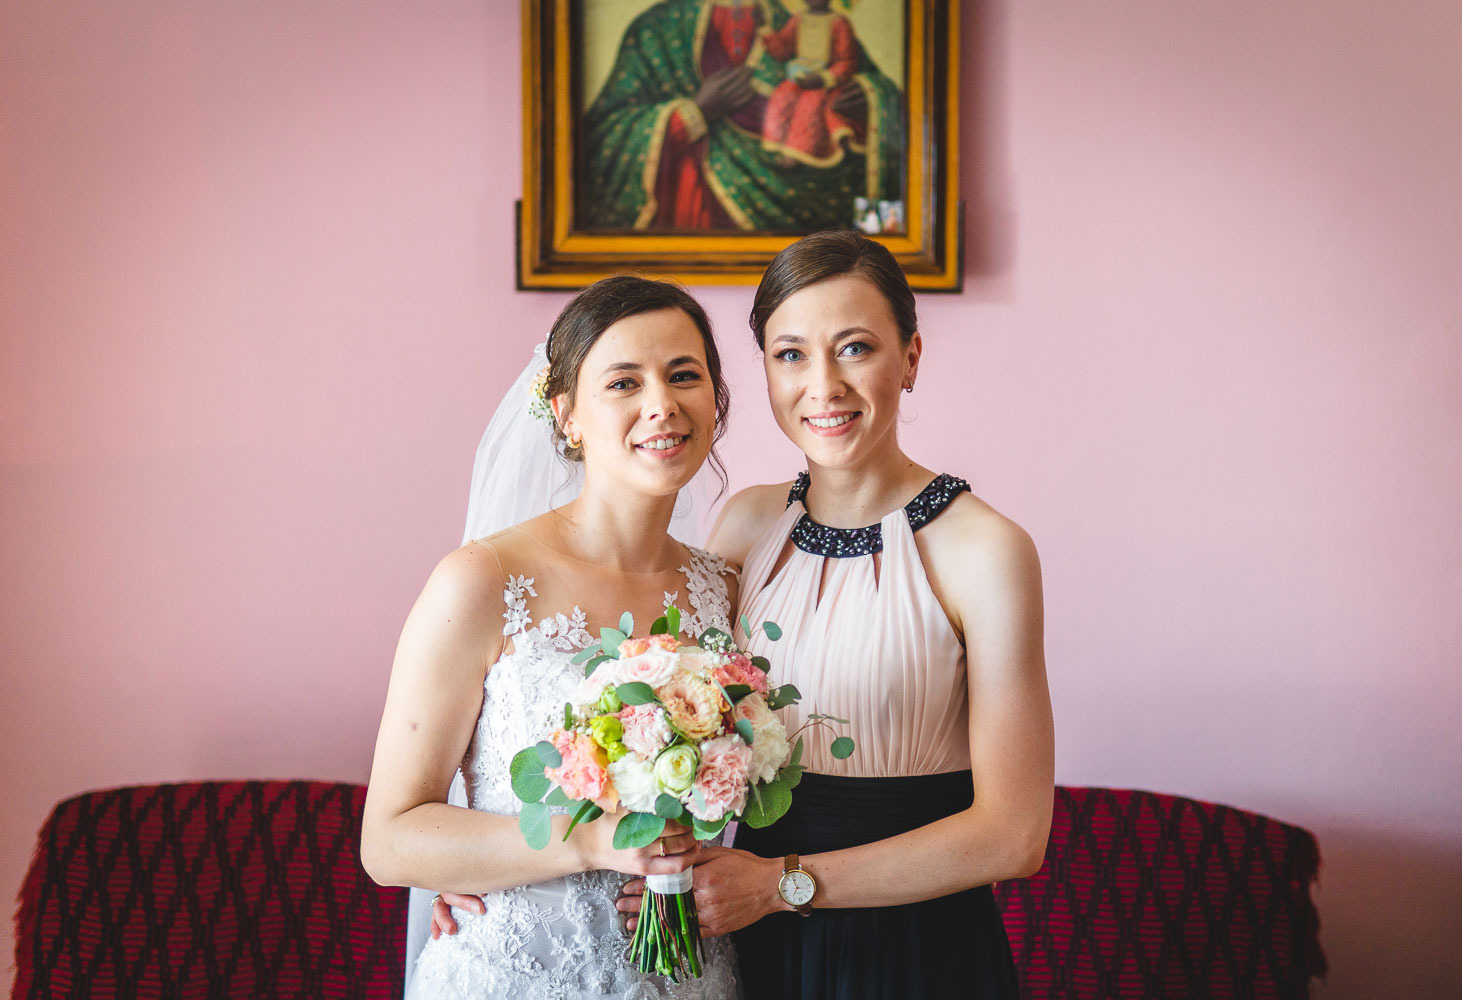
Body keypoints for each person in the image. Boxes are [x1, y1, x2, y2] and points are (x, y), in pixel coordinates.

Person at [618, 231, 1055, 997]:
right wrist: (512, 877)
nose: (823, 386)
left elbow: (1014, 836)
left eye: (854, 348)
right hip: (753, 944)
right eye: (791, 354)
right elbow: (659, 714)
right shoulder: (744, 526)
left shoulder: (986, 551)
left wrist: (780, 883)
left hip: (917, 952)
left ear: (910, 358)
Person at [361, 275, 741, 999]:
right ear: (566, 415)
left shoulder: (721, 590)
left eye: (683, 375)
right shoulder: (482, 581)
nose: (661, 403)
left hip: (686, 974)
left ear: (714, 401)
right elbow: (389, 841)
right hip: (514, 972)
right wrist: (589, 841)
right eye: (623, 382)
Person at [578, 0, 902, 232]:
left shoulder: (799, 17)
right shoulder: (658, 28)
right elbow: (604, 137)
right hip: (686, 206)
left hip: (798, 217)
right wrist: (693, 114)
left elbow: (879, 92)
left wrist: (866, 96)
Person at [761, 0, 860, 170]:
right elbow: (783, 50)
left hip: (827, 83)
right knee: (782, 96)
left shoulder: (839, 23)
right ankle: (778, 147)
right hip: (800, 77)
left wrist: (823, 78)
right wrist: (765, 30)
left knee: (809, 104)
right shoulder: (798, 19)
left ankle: (797, 155)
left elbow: (846, 61)